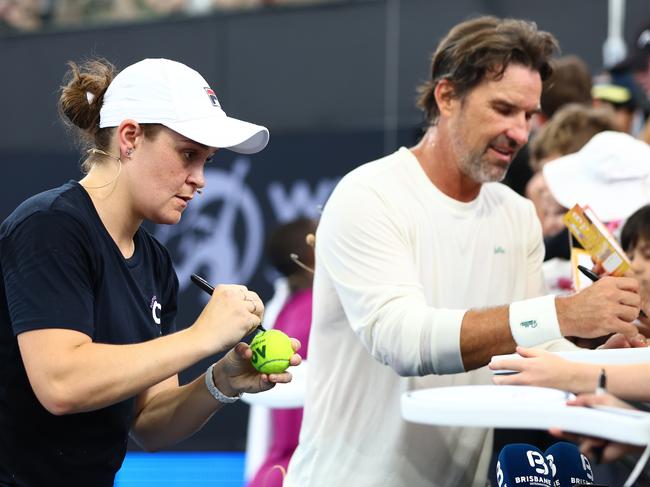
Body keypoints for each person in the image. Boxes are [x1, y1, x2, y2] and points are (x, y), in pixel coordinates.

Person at [284, 16, 644, 487]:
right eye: (503, 108)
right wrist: (563, 314)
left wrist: (593, 352)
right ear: (446, 96)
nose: (520, 132)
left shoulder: (516, 215)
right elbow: (402, 341)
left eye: (529, 115)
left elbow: (528, 343)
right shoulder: (368, 194)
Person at [0, 57, 302, 486]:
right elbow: (60, 383)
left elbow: (150, 422)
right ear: (130, 138)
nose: (200, 179)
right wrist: (202, 337)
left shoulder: (155, 261)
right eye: (187, 154)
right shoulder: (49, 225)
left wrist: (222, 381)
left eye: (206, 161)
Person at [491, 204, 650, 395]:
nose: (636, 266)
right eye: (630, 256)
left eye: (648, 255)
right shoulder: (627, 330)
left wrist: (575, 375)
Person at [247, 217, 316, 487]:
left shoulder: (283, 311)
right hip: (306, 472)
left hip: (275, 472)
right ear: (312, 253)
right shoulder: (318, 312)